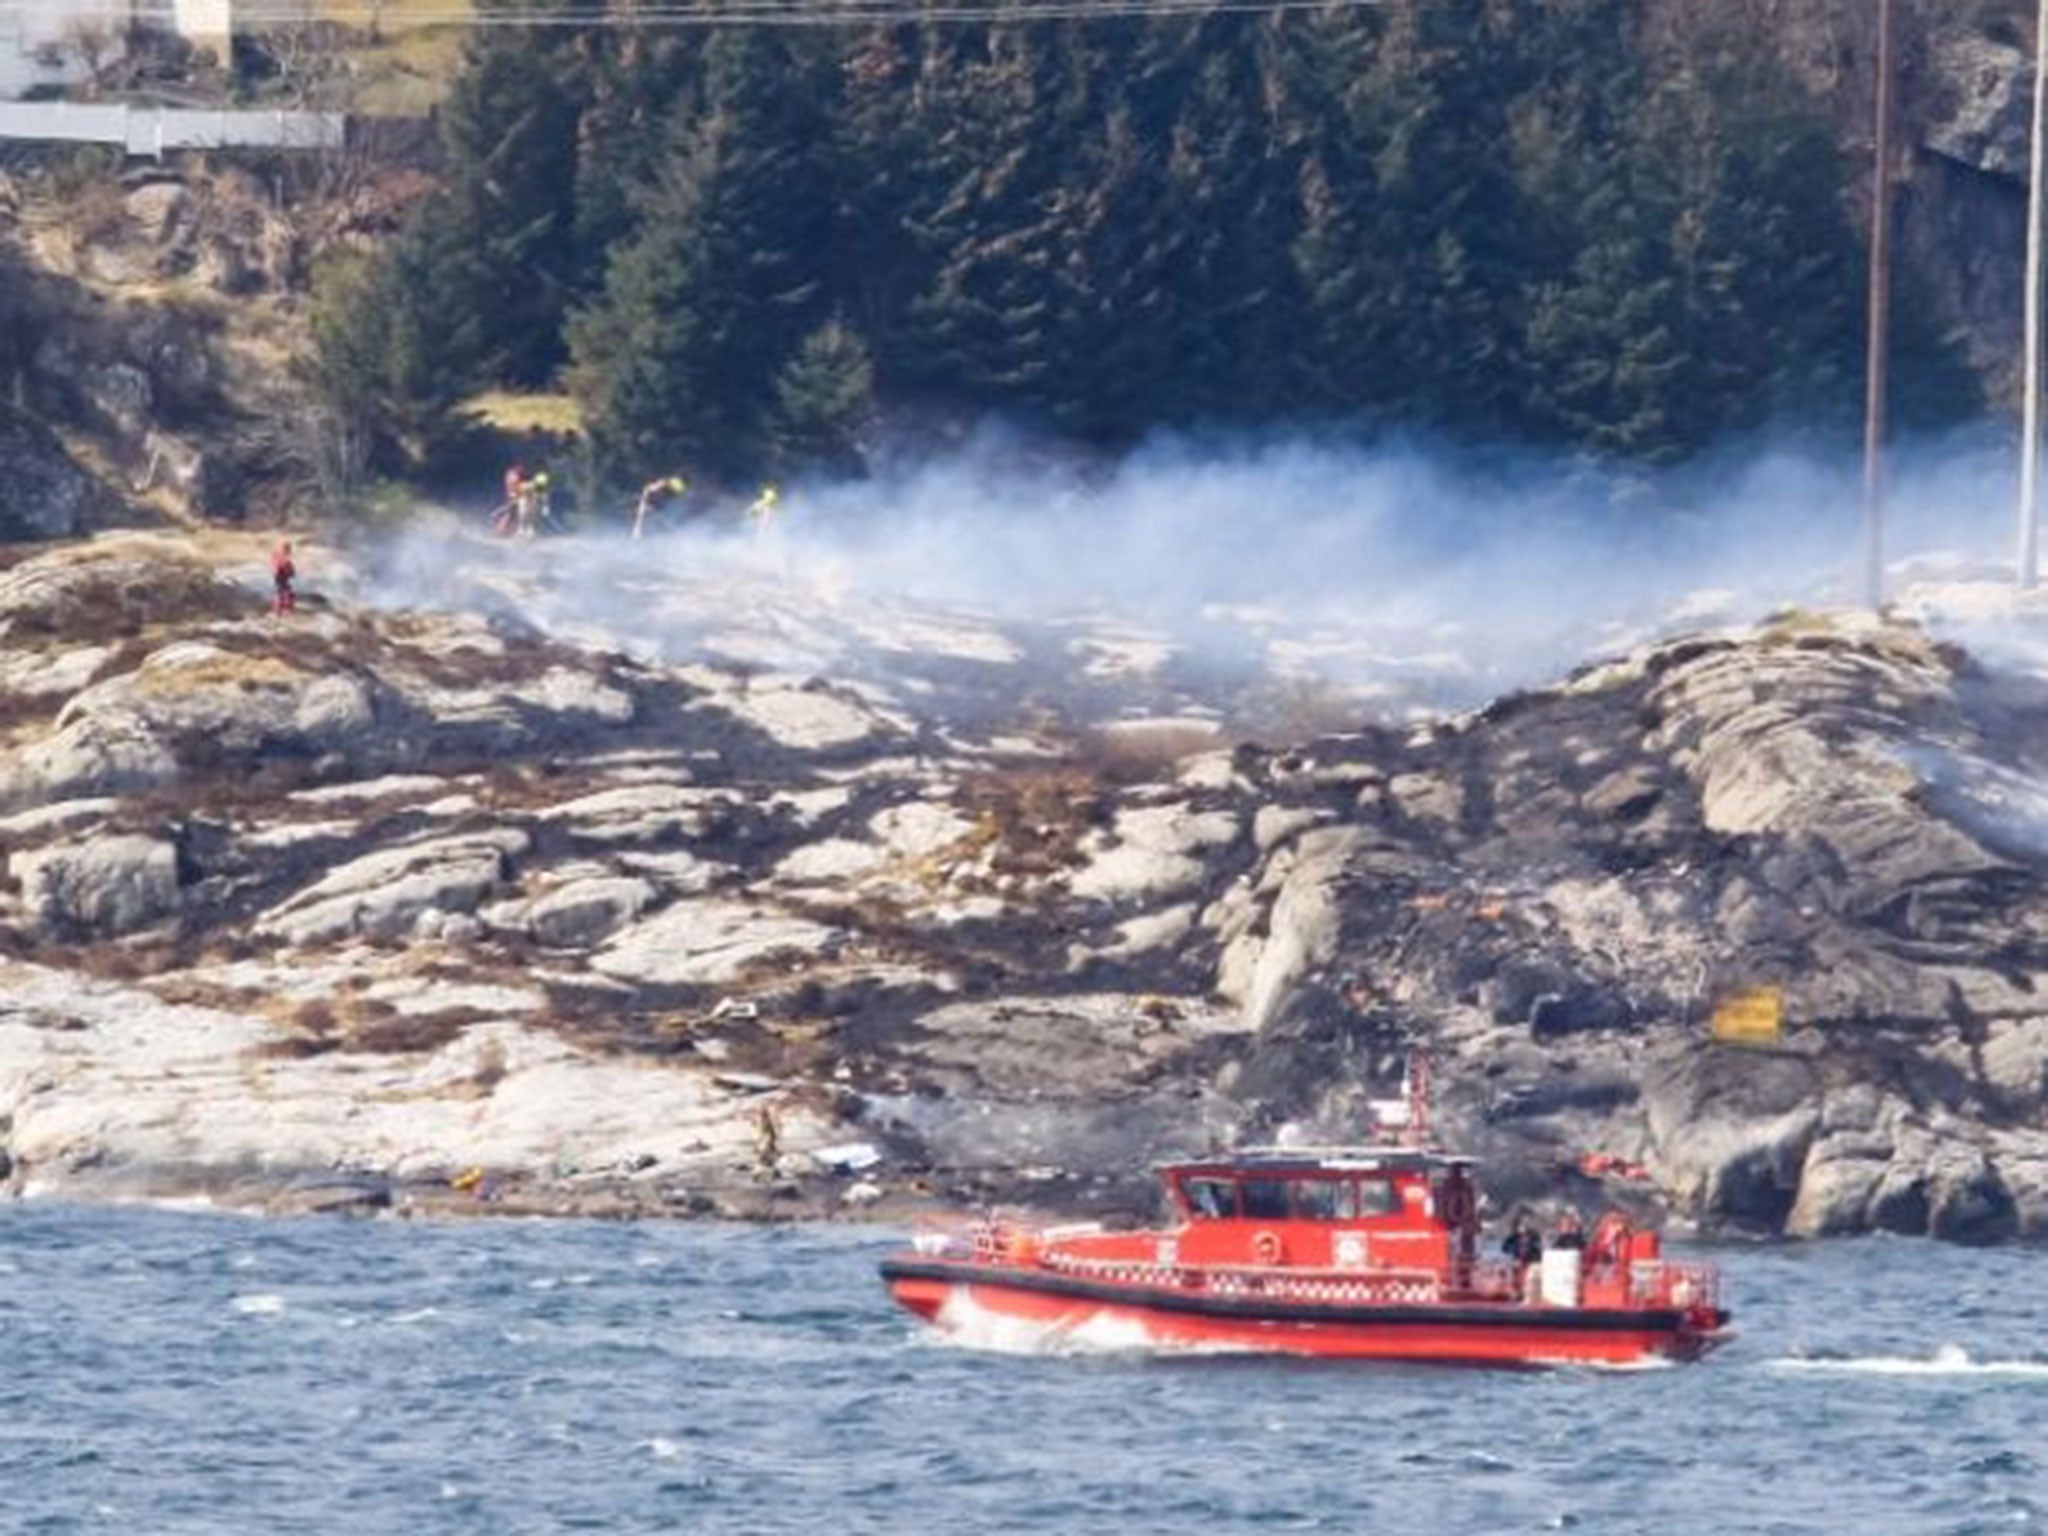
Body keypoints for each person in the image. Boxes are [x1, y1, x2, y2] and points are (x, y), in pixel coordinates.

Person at [633, 474, 687, 540]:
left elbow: (649, 489)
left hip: (660, 498)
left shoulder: (663, 488)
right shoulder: (648, 507)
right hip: (657, 500)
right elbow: (648, 489)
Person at [270, 538, 296, 615]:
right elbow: (288, 569)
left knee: (282, 593)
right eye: (289, 548)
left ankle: (280, 610)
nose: (290, 551)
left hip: (279, 577)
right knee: (284, 594)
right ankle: (280, 611)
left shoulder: (277, 555)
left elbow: (275, 566)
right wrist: (291, 572)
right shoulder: (283, 558)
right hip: (281, 577)